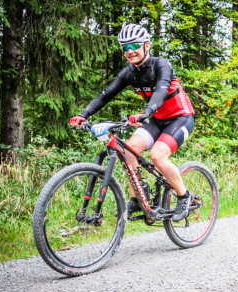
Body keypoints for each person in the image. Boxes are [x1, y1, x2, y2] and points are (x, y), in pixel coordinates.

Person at [69, 23, 195, 222]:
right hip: (156, 119)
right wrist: (83, 115)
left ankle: (184, 196)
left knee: (157, 156)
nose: (130, 51)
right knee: (128, 149)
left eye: (134, 45)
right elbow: (105, 95)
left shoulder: (161, 64)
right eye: (125, 47)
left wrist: (145, 112)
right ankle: (138, 197)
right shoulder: (129, 72)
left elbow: (161, 91)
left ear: (146, 45)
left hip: (181, 118)